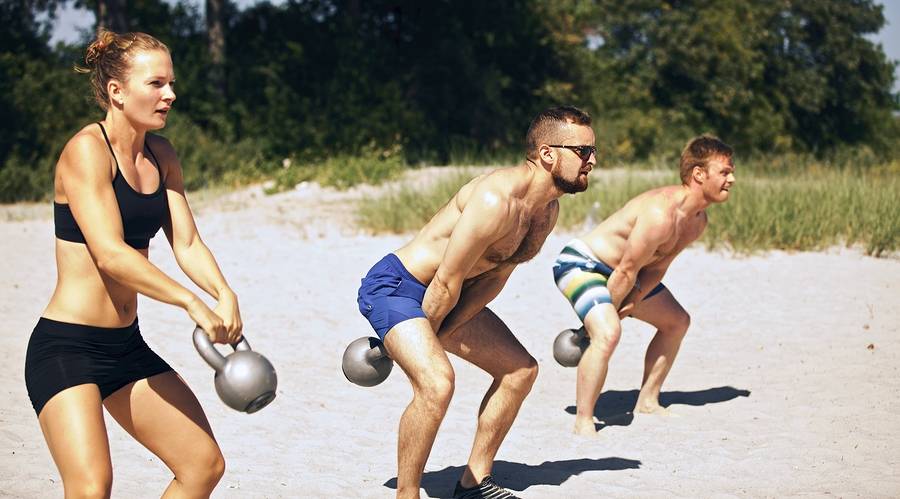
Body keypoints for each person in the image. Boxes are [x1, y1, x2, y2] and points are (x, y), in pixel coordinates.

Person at [23, 30, 242, 497]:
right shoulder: (86, 150)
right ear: (117, 92)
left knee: (203, 465)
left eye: (171, 83)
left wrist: (223, 293)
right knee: (91, 486)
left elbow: (186, 243)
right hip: (67, 348)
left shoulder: (161, 156)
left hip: (125, 348)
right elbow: (110, 253)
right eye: (156, 83)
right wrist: (189, 302)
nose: (171, 94)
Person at [356, 106, 595, 499]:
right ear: (548, 153)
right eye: (583, 151)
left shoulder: (546, 211)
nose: (593, 161)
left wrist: (446, 328)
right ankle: (407, 494)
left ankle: (473, 484)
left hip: (455, 296)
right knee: (437, 383)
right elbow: (445, 280)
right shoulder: (494, 199)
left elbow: (496, 277)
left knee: (520, 371)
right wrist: (428, 340)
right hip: (399, 287)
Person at [552, 135, 735, 436]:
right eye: (725, 172)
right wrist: (597, 324)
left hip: (627, 274)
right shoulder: (660, 213)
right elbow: (626, 270)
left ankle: (648, 401)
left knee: (677, 322)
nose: (732, 179)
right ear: (699, 175)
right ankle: (584, 420)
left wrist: (632, 304)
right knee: (608, 333)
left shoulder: (696, 222)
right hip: (581, 265)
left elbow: (657, 268)